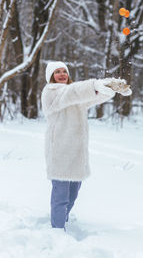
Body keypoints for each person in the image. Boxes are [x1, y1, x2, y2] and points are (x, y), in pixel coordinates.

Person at [41, 61, 132, 230]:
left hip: (76, 152)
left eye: (64, 71)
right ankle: (57, 230)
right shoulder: (51, 92)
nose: (62, 74)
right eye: (57, 72)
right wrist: (96, 84)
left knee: (73, 195)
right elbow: (73, 92)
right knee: (61, 196)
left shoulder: (73, 95)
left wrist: (111, 88)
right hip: (59, 151)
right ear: (51, 77)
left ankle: (63, 221)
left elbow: (89, 97)